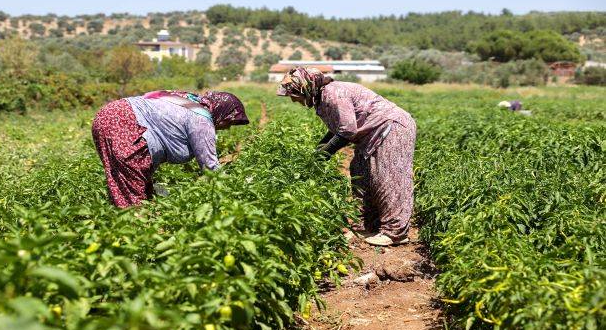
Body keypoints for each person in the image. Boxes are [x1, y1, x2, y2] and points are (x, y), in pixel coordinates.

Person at [277, 68, 416, 246]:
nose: (293, 99)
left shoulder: (333, 93)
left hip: (391, 127)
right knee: (360, 173)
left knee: (389, 178)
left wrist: (324, 154)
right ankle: (368, 226)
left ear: (306, 89)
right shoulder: (322, 98)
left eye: (294, 94)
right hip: (370, 134)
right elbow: (338, 128)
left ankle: (395, 233)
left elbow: (347, 131)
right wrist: (317, 151)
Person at [92, 90, 249, 208]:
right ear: (221, 113)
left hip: (108, 115)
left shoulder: (188, 99)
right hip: (125, 123)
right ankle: (137, 239)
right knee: (133, 195)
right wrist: (235, 192)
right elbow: (210, 167)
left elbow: (151, 97)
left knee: (130, 181)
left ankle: (135, 224)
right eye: (229, 121)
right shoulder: (202, 119)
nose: (227, 127)